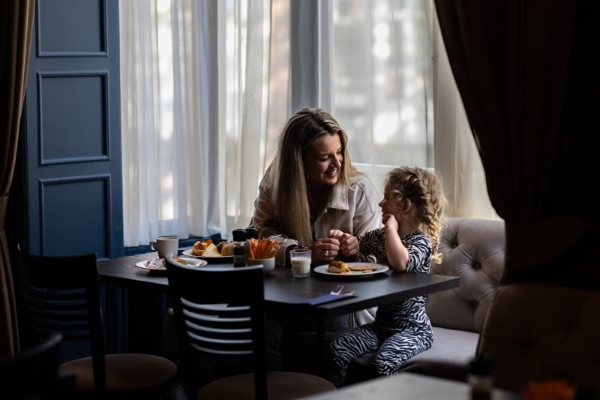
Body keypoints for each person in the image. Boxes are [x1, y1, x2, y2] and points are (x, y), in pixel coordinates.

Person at [248, 107, 382, 370]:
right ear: (299, 160)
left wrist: (355, 251)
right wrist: (300, 252)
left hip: (342, 301)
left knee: (258, 320)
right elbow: (256, 235)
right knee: (254, 322)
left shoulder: (358, 190)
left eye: (340, 152)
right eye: (325, 157)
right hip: (287, 296)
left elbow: (379, 258)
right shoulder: (275, 185)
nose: (337, 163)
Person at [325, 166, 447, 386]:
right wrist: (346, 244)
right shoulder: (378, 237)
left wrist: (391, 228)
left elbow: (401, 263)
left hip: (413, 330)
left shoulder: (421, 243)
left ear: (405, 205)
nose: (381, 204)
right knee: (336, 351)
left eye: (387, 198)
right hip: (381, 326)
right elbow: (357, 256)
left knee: (383, 365)